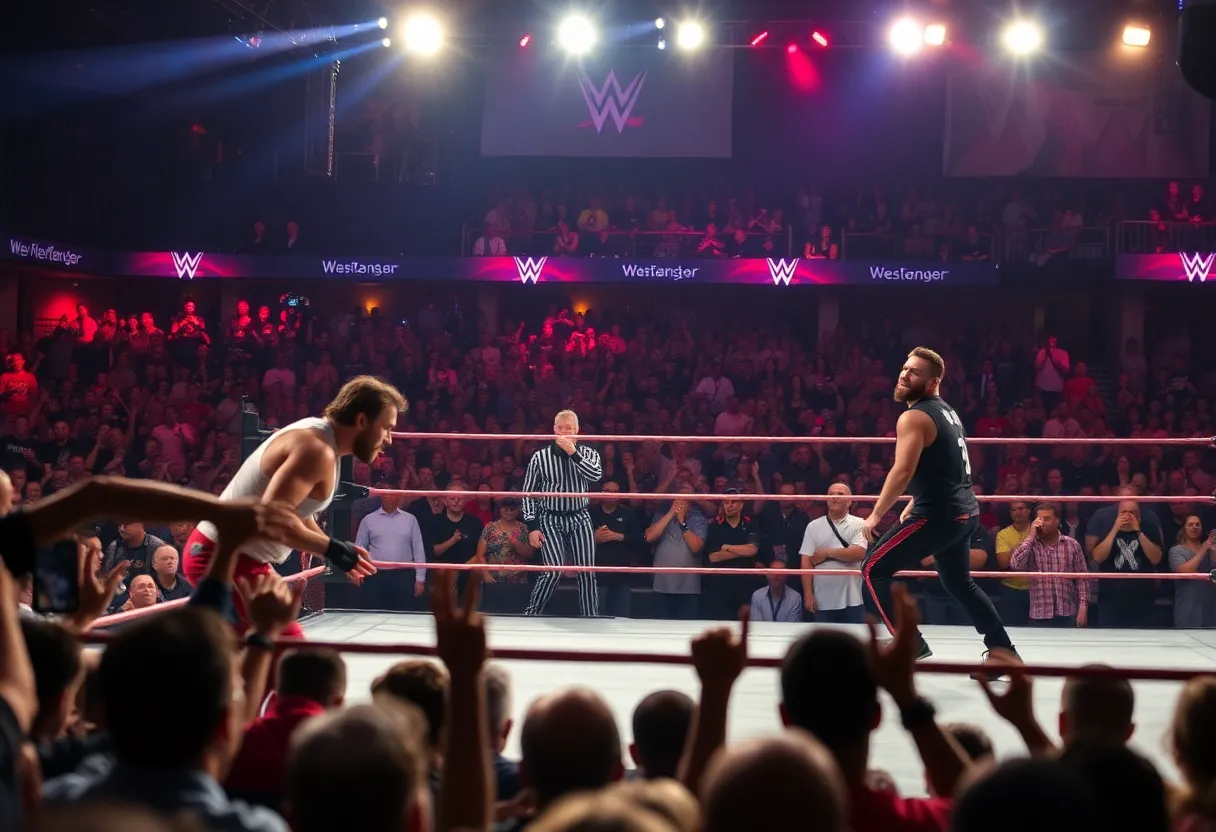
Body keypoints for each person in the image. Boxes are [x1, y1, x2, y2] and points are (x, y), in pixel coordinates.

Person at [182, 376, 394, 635]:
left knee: (272, 658)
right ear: (362, 421)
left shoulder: (320, 438)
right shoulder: (315, 449)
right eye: (386, 428)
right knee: (286, 654)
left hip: (240, 557)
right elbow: (273, 517)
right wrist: (334, 550)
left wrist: (334, 551)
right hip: (221, 556)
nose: (389, 439)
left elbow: (297, 511)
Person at [860, 347, 1017, 664]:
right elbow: (941, 464)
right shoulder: (946, 411)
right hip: (963, 512)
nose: (904, 374)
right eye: (904, 368)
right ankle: (1004, 651)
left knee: (872, 569)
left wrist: (875, 514)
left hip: (938, 516)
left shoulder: (914, 416)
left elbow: (902, 470)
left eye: (914, 372)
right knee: (960, 582)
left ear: (932, 383)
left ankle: (909, 643)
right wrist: (916, 498)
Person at [521, 410, 603, 617]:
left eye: (570, 429)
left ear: (577, 432)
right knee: (553, 571)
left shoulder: (590, 453)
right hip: (550, 517)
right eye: (562, 429)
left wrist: (574, 454)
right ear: (554, 430)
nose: (565, 433)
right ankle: (532, 613)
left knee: (586, 572)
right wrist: (532, 527)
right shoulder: (540, 457)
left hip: (579, 516)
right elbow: (529, 493)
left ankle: (590, 616)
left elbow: (596, 476)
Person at [799, 482, 867, 623]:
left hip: (852, 596)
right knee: (824, 642)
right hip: (822, 597)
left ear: (849, 501)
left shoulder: (860, 523)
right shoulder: (813, 526)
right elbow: (806, 561)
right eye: (830, 494)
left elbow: (858, 553)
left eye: (840, 494)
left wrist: (826, 553)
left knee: (853, 640)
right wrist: (807, 593)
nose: (834, 497)